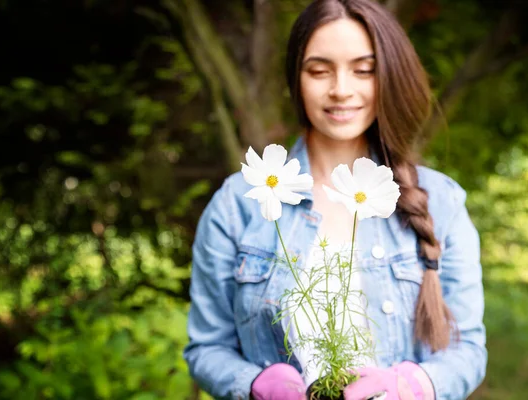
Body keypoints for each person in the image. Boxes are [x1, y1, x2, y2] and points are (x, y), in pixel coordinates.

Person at [183, 0, 487, 399]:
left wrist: (409, 386)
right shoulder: (238, 204)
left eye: (363, 70)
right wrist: (255, 385)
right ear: (296, 78)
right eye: (319, 70)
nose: (341, 90)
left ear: (389, 77)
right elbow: (207, 348)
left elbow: (468, 351)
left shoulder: (440, 201)